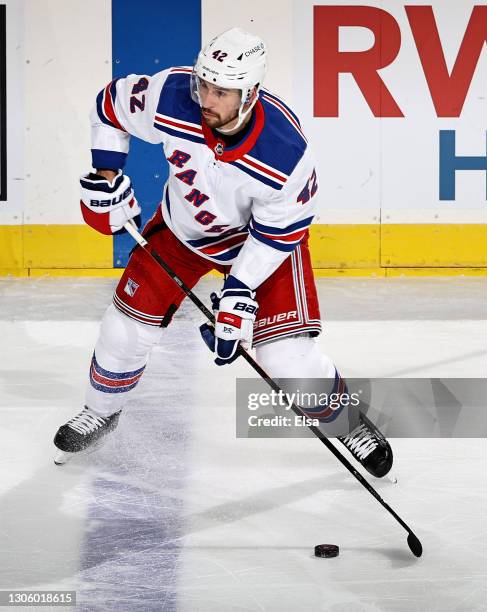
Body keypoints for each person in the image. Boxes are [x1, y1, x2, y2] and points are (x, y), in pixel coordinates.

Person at [53, 27, 392, 477]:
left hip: (259, 247)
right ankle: (100, 410)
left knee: (287, 360)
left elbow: (277, 234)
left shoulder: (285, 152)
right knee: (123, 331)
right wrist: (106, 175)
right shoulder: (171, 96)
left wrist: (239, 292)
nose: (206, 99)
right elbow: (109, 107)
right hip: (182, 233)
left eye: (221, 91)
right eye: (204, 84)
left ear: (250, 93)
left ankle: (349, 423)